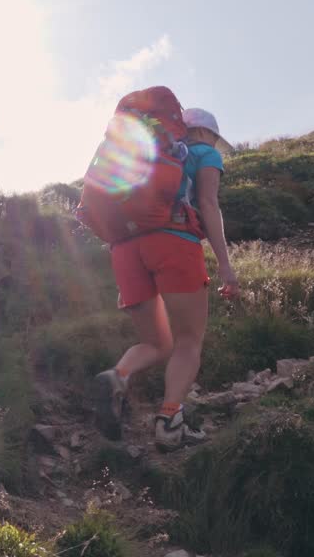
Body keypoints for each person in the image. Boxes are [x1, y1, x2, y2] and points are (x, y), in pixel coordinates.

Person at [91, 107, 240, 451]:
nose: (215, 142)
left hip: (125, 249)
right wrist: (225, 266)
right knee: (188, 341)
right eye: (214, 136)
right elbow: (208, 203)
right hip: (174, 240)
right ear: (205, 133)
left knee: (157, 343)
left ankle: (117, 377)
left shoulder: (147, 152)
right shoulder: (204, 153)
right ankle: (170, 423)